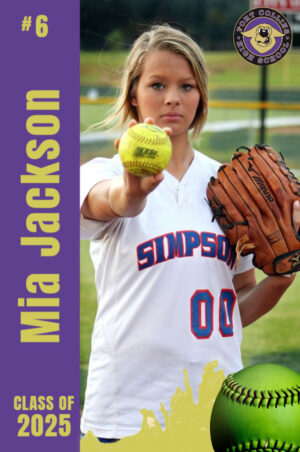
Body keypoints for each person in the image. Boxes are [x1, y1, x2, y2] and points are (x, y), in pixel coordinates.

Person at [80, 24, 299, 441]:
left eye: (187, 86)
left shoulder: (232, 186)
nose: (173, 98)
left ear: (201, 98)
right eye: (157, 84)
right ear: (133, 95)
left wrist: (284, 274)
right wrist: (132, 189)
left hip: (215, 410)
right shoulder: (104, 173)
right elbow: (112, 202)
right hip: (126, 413)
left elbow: (235, 308)